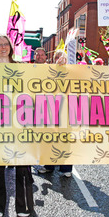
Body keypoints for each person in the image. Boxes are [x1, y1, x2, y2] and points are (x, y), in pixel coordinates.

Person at [0, 35, 34, 217]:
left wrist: (61, 65)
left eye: (5, 43)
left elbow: (40, 81)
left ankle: (23, 206)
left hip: (19, 122)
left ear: (10, 47)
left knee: (22, 164)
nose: (2, 47)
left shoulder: (21, 67)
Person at [36, 49, 73, 177]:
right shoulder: (49, 71)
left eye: (61, 57)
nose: (58, 59)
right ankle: (48, 166)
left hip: (66, 112)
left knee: (64, 140)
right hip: (49, 110)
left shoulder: (71, 72)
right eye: (56, 57)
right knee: (48, 140)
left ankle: (66, 168)